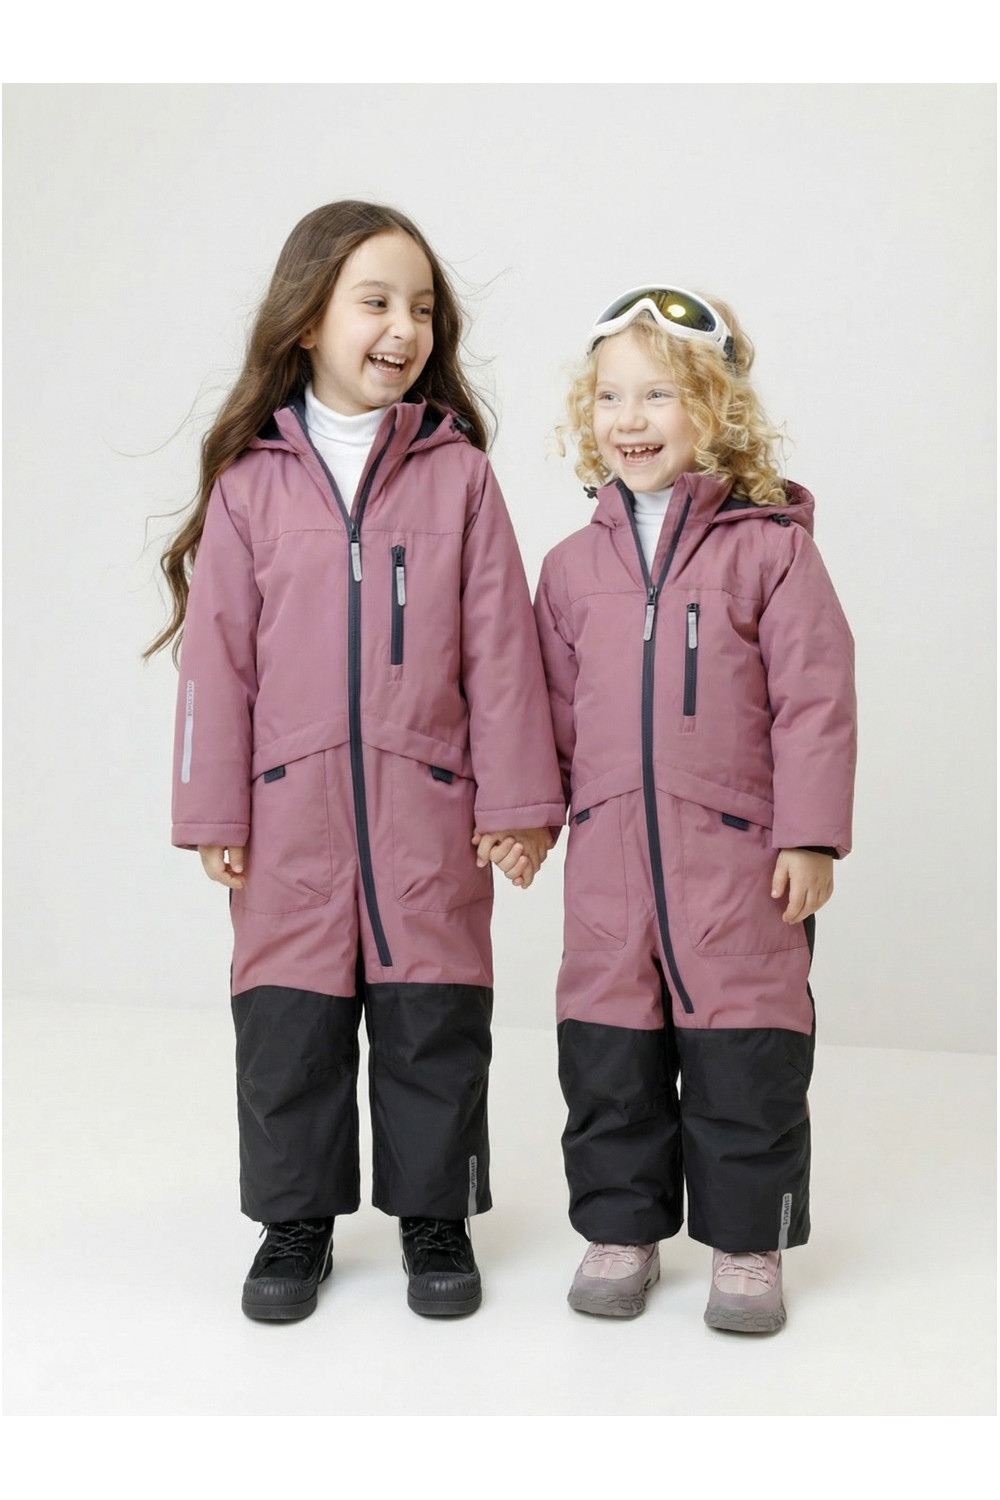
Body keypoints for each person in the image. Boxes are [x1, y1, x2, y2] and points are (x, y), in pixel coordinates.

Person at [147, 200, 562, 1322]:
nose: (403, 328)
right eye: (375, 301)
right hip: (289, 813)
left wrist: (520, 803)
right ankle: (296, 1222)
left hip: (429, 808)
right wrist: (211, 811)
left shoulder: (457, 477)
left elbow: (503, 653)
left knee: (435, 1024)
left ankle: (436, 1214)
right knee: (290, 1030)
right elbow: (217, 660)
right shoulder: (251, 484)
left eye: (421, 308)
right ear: (307, 320)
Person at [530, 286, 856, 1331]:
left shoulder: (772, 552)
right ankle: (619, 1231)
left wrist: (810, 835)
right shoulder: (569, 571)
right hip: (610, 867)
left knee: (744, 1060)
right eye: (609, 396)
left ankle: (747, 1243)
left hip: (738, 869)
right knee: (609, 1060)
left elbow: (815, 701)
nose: (629, 418)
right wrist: (529, 817)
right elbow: (543, 710)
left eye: (658, 394)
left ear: (716, 409)